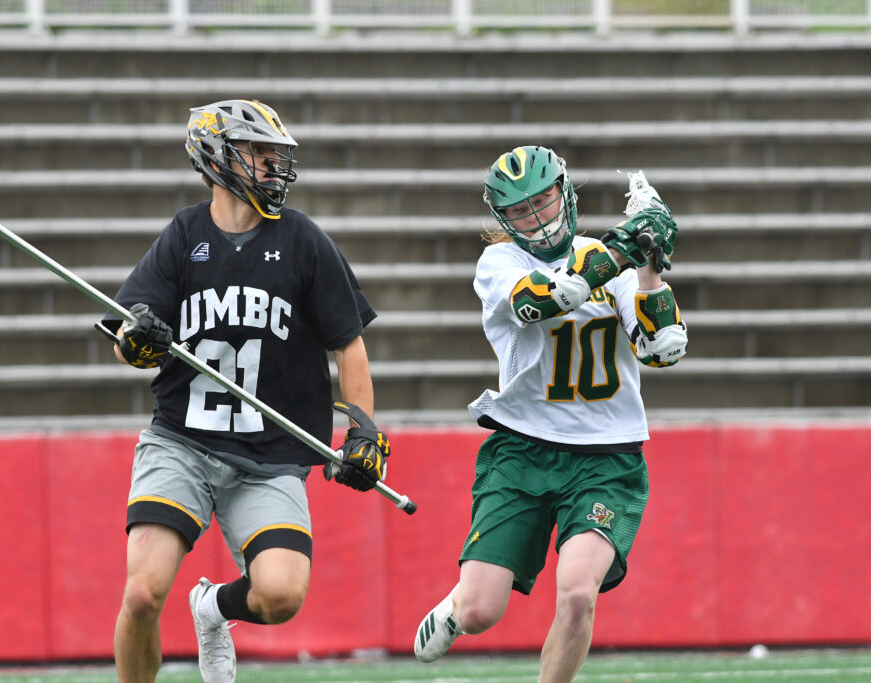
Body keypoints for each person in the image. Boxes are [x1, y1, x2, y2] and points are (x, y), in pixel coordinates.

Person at [102, 99, 391, 683]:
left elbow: (349, 345)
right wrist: (139, 342)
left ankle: (212, 609)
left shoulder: (304, 240)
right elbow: (127, 338)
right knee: (141, 594)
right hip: (182, 441)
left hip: (270, 456)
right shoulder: (185, 235)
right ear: (216, 156)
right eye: (259, 155)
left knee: (280, 595)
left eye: (275, 157)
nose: (272, 168)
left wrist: (362, 428)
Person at [413, 145, 687, 682]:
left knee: (579, 593)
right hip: (523, 446)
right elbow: (544, 299)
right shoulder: (500, 263)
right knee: (479, 612)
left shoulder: (616, 261)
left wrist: (650, 268)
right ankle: (457, 603)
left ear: (565, 193)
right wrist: (622, 250)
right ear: (501, 218)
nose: (536, 218)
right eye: (519, 210)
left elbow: (664, 350)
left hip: (608, 456)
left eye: (542, 200)